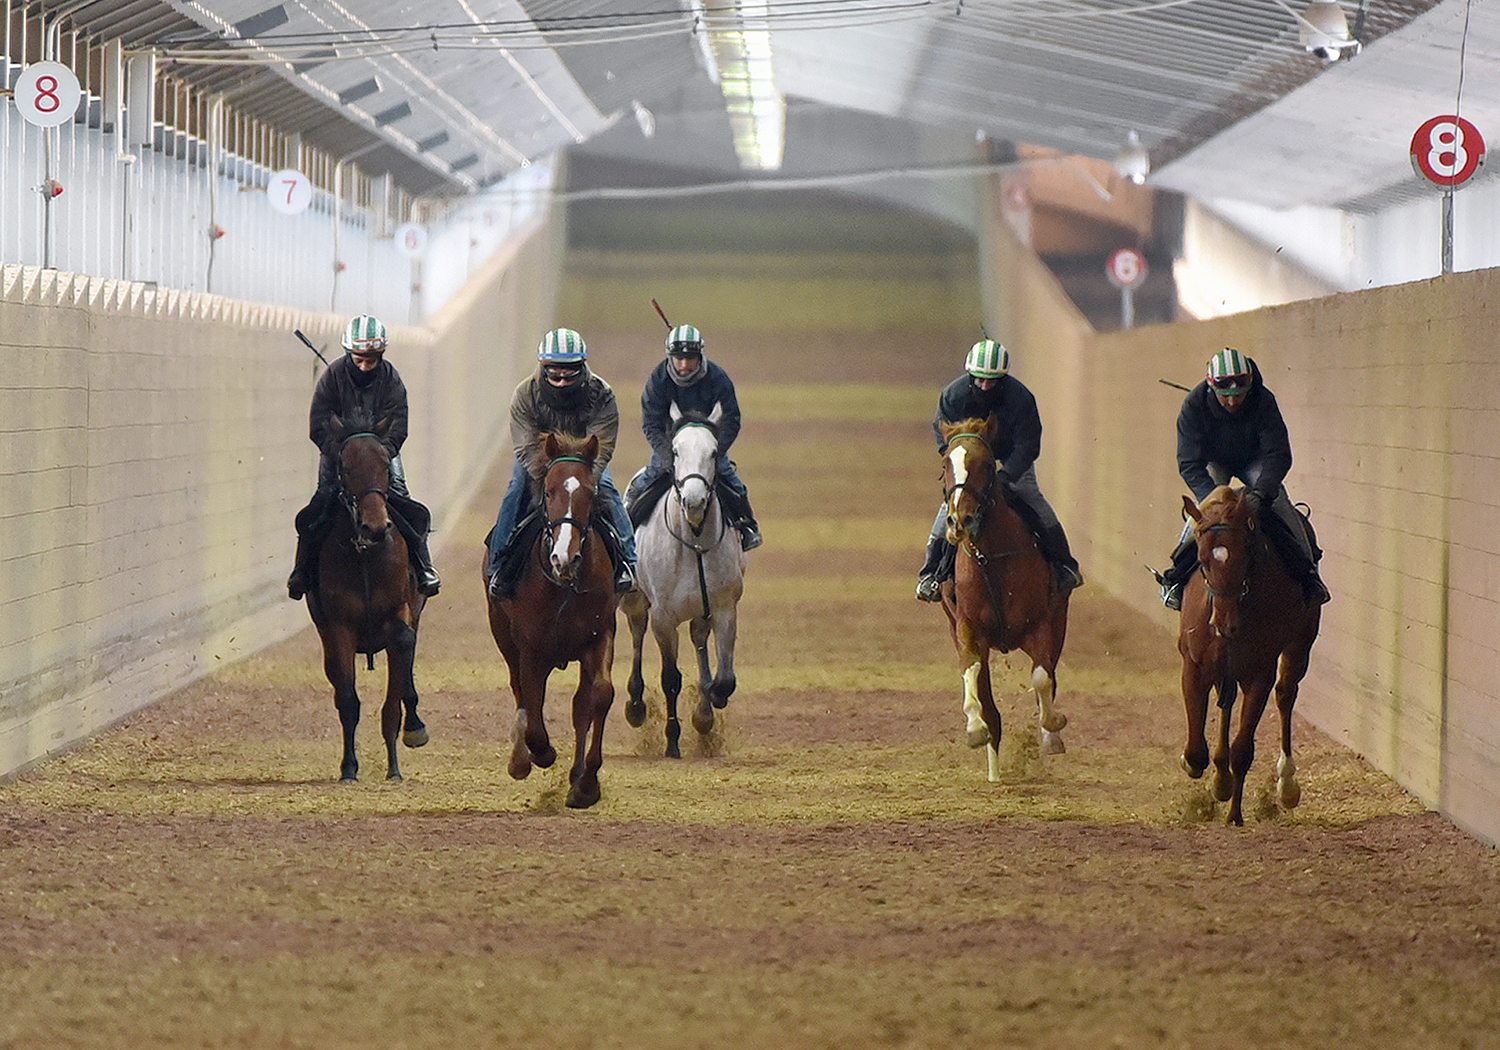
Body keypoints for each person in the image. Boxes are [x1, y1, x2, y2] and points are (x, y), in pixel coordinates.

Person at [1155, 347, 1330, 610]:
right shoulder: (1193, 405)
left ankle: (1309, 575)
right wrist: (1210, 497)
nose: (1234, 402)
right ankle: (1175, 579)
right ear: (1213, 388)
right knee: (1202, 517)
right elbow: (1189, 462)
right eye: (1226, 396)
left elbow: (1279, 454)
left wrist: (1261, 493)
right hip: (1216, 464)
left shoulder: (1264, 401)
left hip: (1254, 462)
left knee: (1281, 502)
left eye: (1240, 395)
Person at [287, 314, 441, 600]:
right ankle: (302, 571)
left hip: (381, 454)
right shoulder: (332, 377)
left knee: (403, 500)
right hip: (340, 456)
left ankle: (423, 567)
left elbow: (399, 425)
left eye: (372, 359)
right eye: (359, 359)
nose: (365, 365)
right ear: (349, 353)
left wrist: (381, 454)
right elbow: (318, 425)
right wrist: (343, 454)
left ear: (381, 355)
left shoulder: (391, 379)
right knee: (321, 502)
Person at [915, 339, 1083, 601]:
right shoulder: (952, 396)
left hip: (1010, 460)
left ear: (1003, 379)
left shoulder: (1021, 399)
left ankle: (1064, 565)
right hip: (969, 462)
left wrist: (1006, 476)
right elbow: (943, 434)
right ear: (971, 376)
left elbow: (1028, 444)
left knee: (1031, 498)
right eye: (980, 380)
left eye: (991, 381)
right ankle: (931, 575)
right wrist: (958, 465)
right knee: (951, 508)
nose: (984, 386)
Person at [485, 327, 636, 598]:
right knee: (515, 489)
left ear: (582, 368)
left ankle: (628, 562)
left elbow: (603, 444)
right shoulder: (524, 395)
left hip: (586, 462)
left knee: (610, 491)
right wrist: (550, 478)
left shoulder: (602, 394)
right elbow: (525, 446)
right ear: (544, 369)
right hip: (539, 465)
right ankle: (499, 566)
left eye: (569, 376)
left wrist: (585, 476)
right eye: (554, 376)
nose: (562, 383)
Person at [624, 323, 762, 551]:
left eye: (690, 358)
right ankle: (626, 529)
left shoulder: (718, 378)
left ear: (700, 356)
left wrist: (718, 451)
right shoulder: (658, 380)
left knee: (730, 478)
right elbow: (651, 423)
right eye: (679, 358)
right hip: (672, 444)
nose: (684, 365)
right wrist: (666, 455)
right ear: (670, 357)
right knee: (648, 478)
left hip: (708, 444)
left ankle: (748, 527)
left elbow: (732, 419)